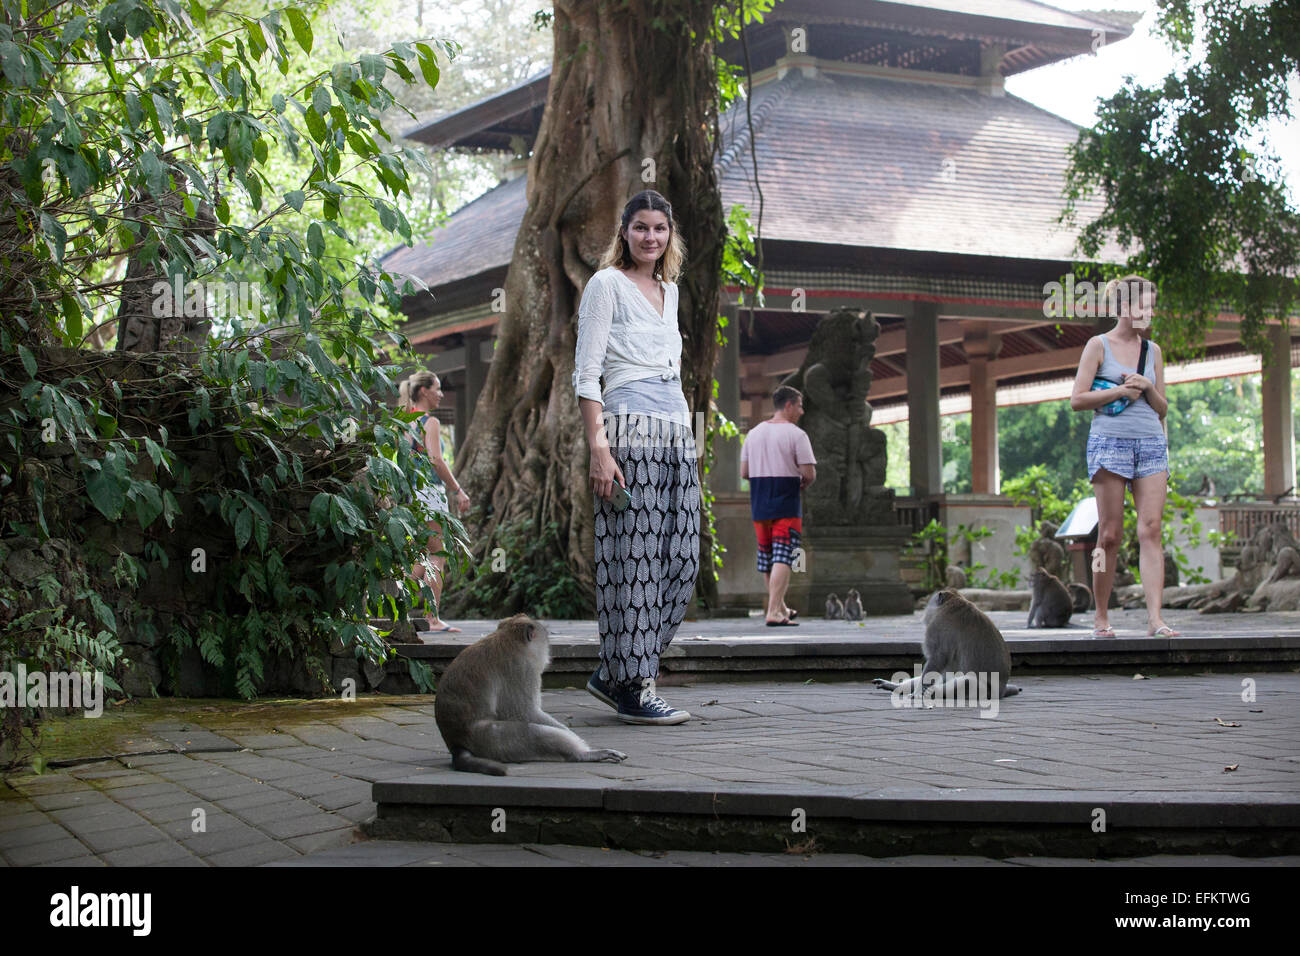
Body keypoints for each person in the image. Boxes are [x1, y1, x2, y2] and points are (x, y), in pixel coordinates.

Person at [572, 189, 699, 725]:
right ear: (624, 231)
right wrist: (599, 448)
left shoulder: (669, 291)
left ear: (671, 236)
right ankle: (634, 687)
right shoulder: (606, 285)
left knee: (683, 558)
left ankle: (615, 670)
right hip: (628, 431)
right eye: (641, 227)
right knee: (636, 561)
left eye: (660, 229)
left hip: (676, 432)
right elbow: (586, 374)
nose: (651, 237)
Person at [1069, 274, 1178, 637]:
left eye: (1151, 306)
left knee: (1151, 529)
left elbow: (1162, 408)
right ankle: (1101, 616)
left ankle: (1155, 619)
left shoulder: (1154, 351)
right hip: (1109, 443)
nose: (1149, 312)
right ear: (1123, 307)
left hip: (1150, 443)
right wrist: (1118, 392)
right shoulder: (1097, 345)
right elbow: (1077, 400)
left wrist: (1146, 386)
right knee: (1110, 535)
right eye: (1143, 305)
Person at [400, 370, 471, 633]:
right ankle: (432, 618)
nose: (441, 394)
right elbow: (436, 460)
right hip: (429, 491)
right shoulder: (429, 422)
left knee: (422, 555)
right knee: (436, 556)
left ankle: (386, 602)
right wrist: (458, 491)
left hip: (410, 494)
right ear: (425, 392)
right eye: (438, 389)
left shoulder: (404, 421)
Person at [740, 386, 817, 625]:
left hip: (760, 500)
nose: (802, 411)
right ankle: (773, 612)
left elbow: (744, 472)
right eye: (800, 405)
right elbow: (809, 473)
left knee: (768, 556)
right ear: (789, 405)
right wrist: (802, 481)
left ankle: (780, 608)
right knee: (784, 556)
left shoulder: (753, 433)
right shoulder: (797, 435)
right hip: (786, 500)